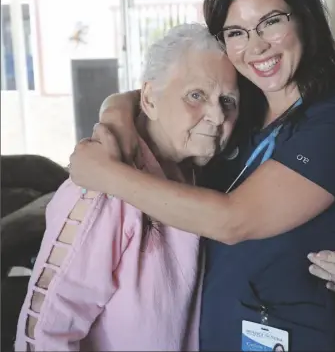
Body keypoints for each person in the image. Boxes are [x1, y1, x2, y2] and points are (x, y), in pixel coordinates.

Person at [69, 0, 335, 351]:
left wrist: (106, 174)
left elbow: (233, 220)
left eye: (271, 22)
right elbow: (157, 94)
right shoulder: (236, 105)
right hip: (212, 330)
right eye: (236, 32)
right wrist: (117, 115)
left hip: (292, 334)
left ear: (303, 16)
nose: (256, 46)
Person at [14, 24, 240, 351]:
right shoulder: (103, 187)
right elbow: (45, 332)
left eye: (228, 101)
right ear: (149, 98)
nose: (217, 116)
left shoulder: (192, 173)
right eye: (196, 95)